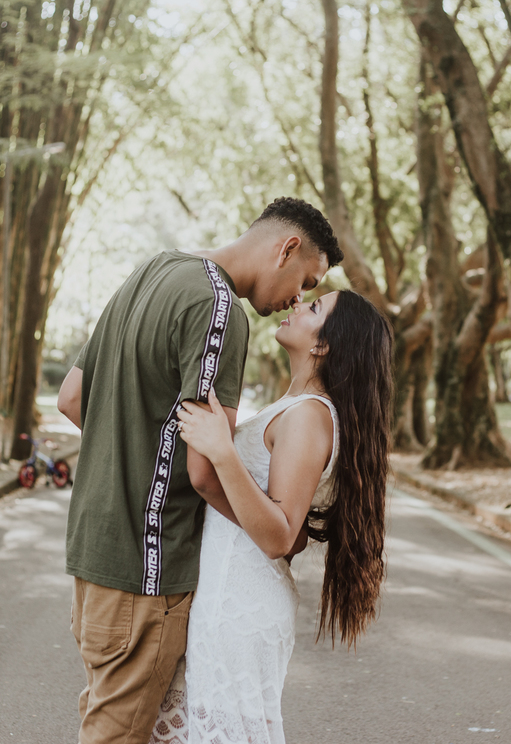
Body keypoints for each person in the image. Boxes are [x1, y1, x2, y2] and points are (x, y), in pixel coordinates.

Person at [56, 197, 344, 744]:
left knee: (104, 718)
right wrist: (280, 531)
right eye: (306, 281)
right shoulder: (219, 310)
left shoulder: (149, 271)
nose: (297, 298)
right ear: (286, 249)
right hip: (149, 566)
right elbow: (206, 468)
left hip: (92, 551)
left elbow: (73, 399)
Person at [149, 289, 393, 744]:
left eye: (315, 308)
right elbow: (290, 527)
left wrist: (222, 451)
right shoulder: (295, 407)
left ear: (323, 346)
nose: (298, 304)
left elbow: (280, 534)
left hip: (239, 604)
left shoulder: (309, 417)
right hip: (229, 595)